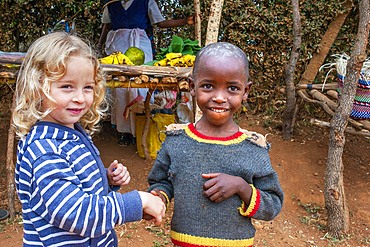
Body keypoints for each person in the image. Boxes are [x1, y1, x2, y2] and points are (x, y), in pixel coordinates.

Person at [12, 32, 166, 247]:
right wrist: (136, 201)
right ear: (38, 87)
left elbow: (70, 183)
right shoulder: (45, 149)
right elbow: (76, 213)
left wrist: (106, 179)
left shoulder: (70, 133)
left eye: (88, 87)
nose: (80, 97)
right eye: (67, 86)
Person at [147, 42, 284, 247]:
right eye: (208, 86)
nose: (219, 98)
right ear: (192, 86)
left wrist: (241, 187)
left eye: (232, 88)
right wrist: (159, 196)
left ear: (245, 91)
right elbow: (161, 181)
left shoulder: (253, 149)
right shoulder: (176, 141)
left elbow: (272, 203)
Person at [97, 0, 194, 146]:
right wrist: (99, 44)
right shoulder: (110, 5)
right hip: (117, 45)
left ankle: (142, 129)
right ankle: (124, 132)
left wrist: (185, 21)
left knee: (141, 86)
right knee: (120, 89)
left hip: (140, 44)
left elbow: (160, 23)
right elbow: (107, 26)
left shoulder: (146, 2)